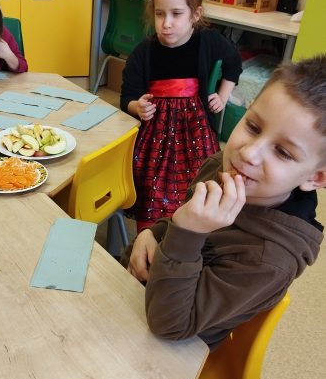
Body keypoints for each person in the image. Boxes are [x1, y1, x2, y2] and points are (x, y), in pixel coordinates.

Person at [125, 55, 326, 350]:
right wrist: (154, 232)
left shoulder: (267, 260)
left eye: (283, 152)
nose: (249, 153)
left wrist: (187, 232)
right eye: (253, 127)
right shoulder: (222, 167)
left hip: (171, 349)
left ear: (315, 177)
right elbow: (182, 217)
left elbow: (169, 325)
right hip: (138, 293)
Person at [120, 0, 242, 232]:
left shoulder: (208, 40)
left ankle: (191, 232)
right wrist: (137, 107)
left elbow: (234, 64)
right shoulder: (144, 52)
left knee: (200, 182)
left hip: (196, 132)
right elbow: (127, 97)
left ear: (195, 14)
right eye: (160, 14)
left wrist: (222, 95)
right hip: (154, 139)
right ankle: (150, 236)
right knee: (152, 186)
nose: (166, 23)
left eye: (176, 14)